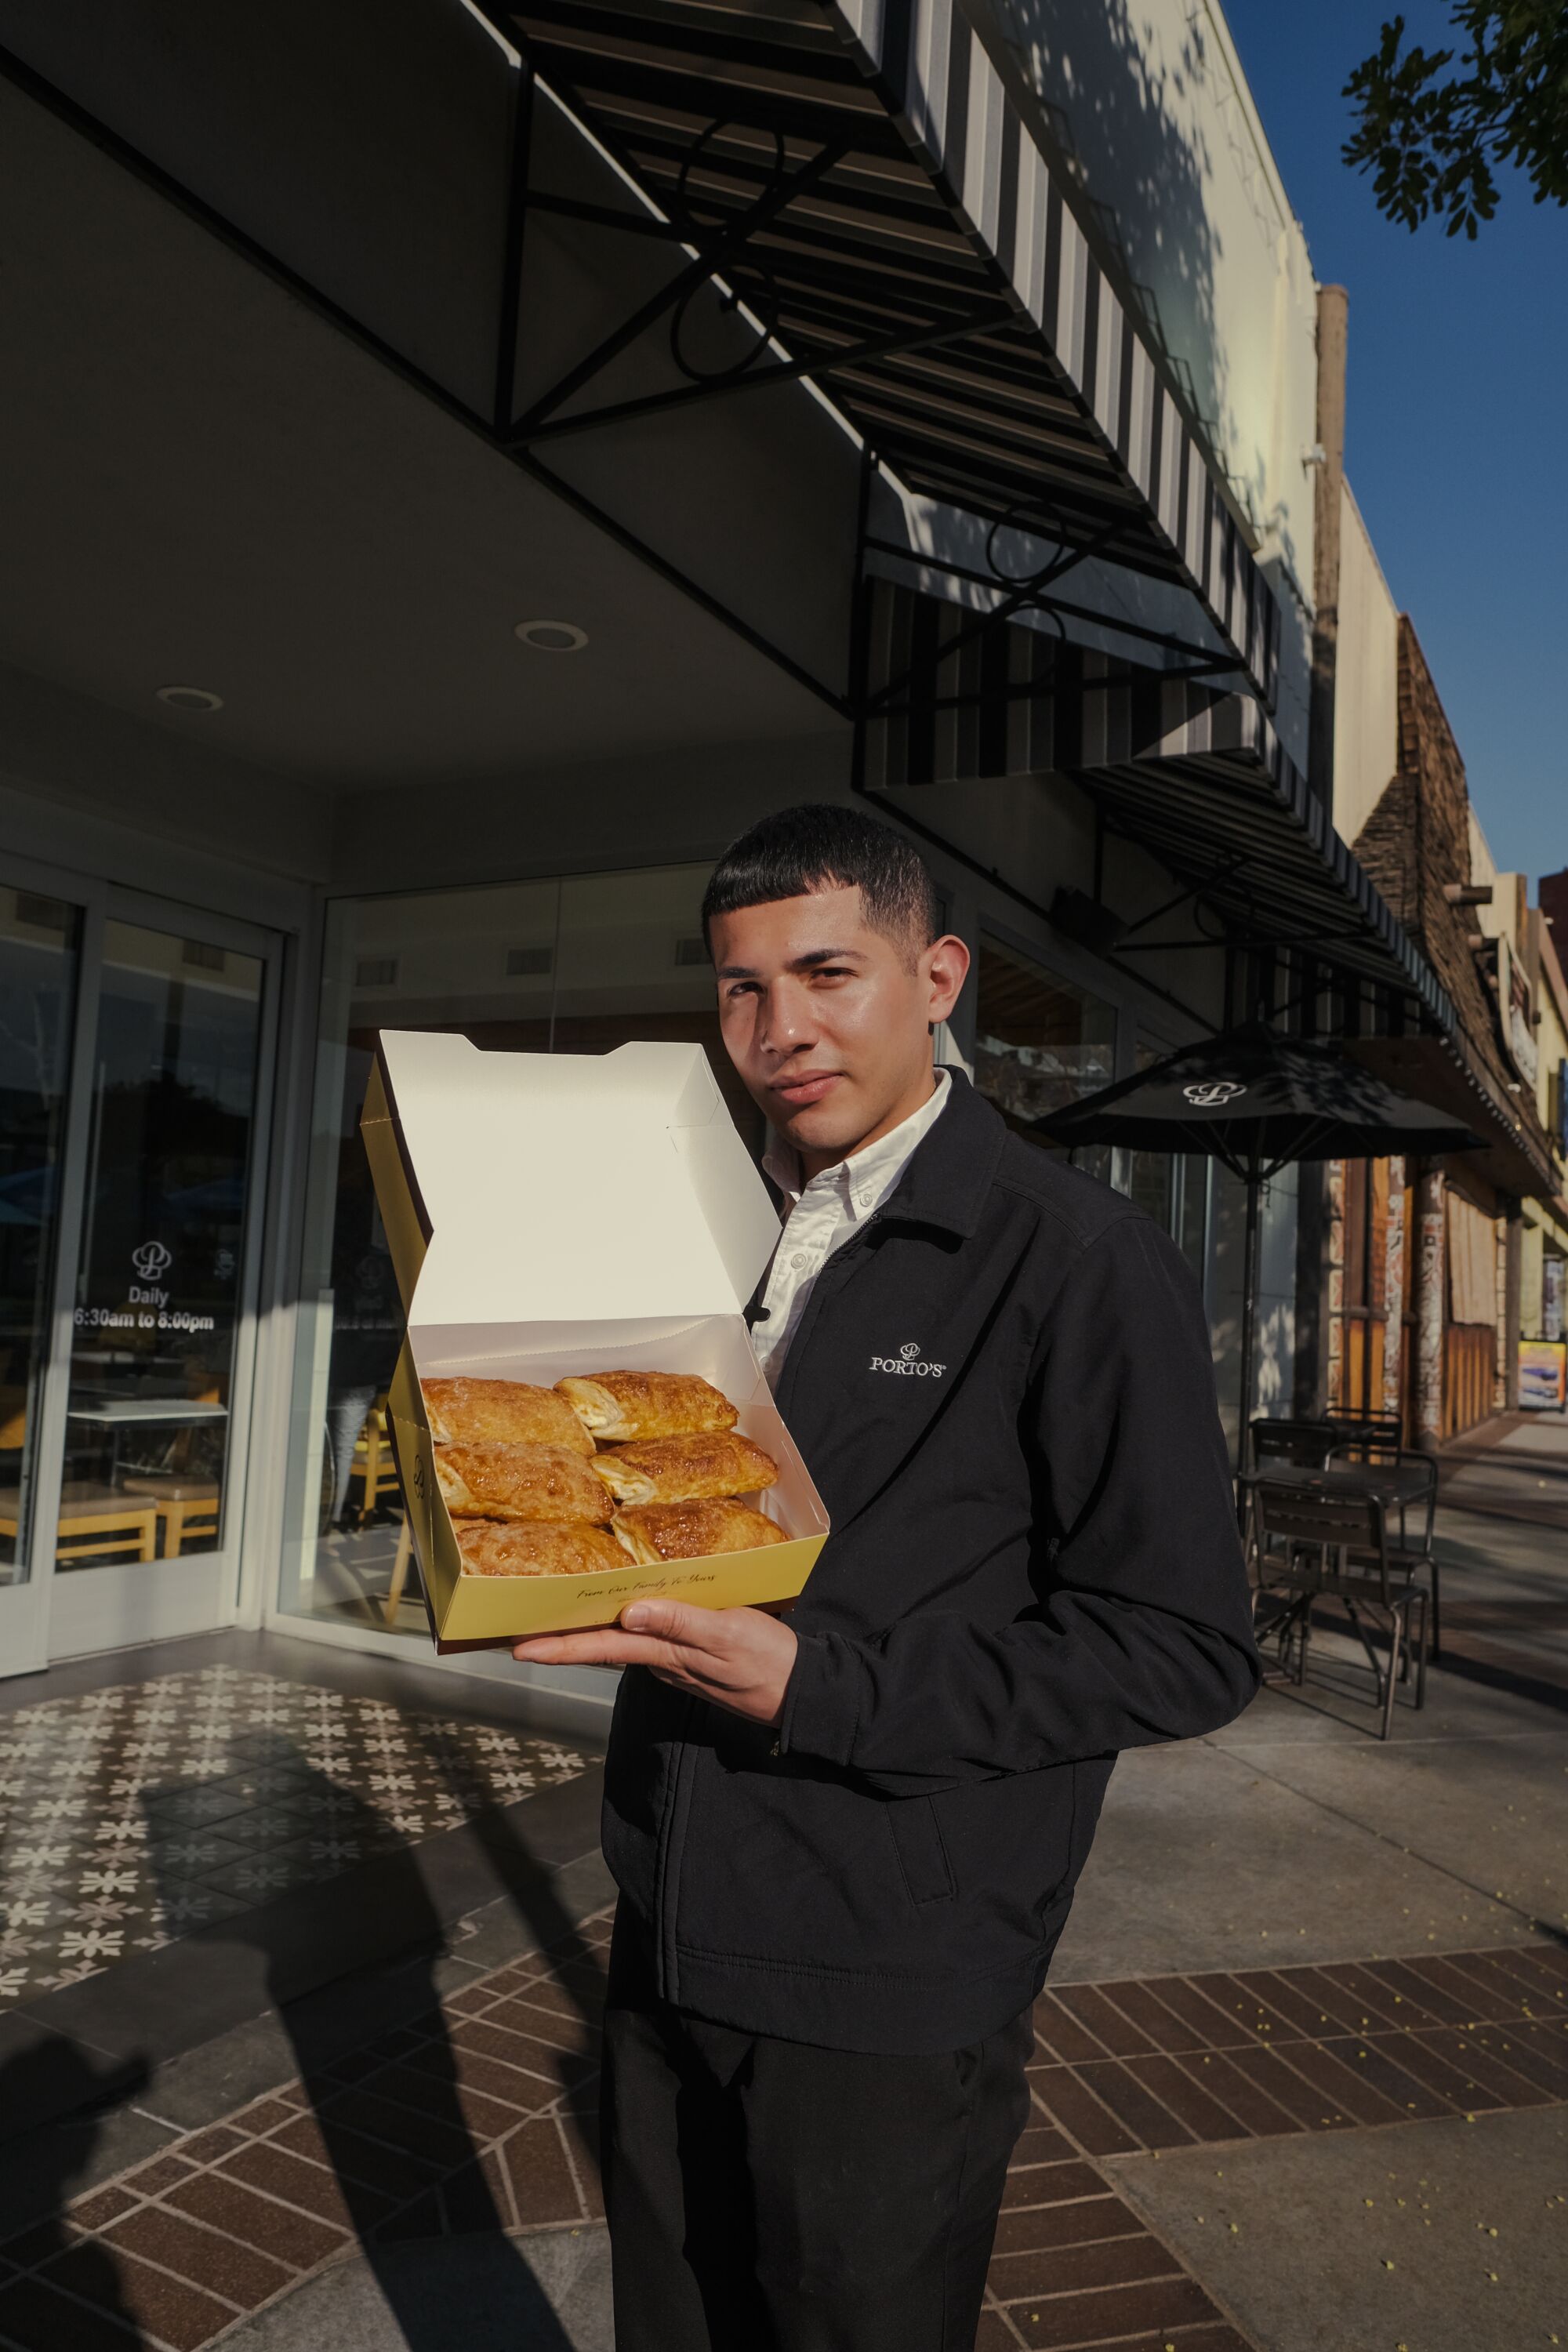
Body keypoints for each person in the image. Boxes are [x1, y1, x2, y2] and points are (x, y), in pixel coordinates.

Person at [513, 804, 1261, 2350]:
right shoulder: (728, 1235)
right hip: (674, 1907)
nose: (778, 1028)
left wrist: (821, 1686)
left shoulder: (1071, 1255)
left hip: (889, 1961)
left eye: (826, 973)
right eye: (739, 988)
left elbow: (1182, 1646)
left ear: (937, 977)